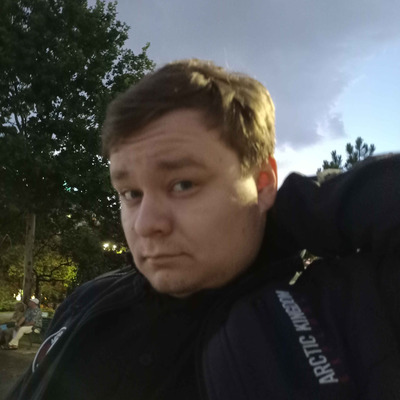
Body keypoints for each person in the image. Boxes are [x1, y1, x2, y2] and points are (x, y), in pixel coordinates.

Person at [7, 60, 400, 399]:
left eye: (183, 184)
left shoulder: (343, 315)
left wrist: (296, 209)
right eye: (130, 193)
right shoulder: (91, 297)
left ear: (263, 182)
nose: (146, 224)